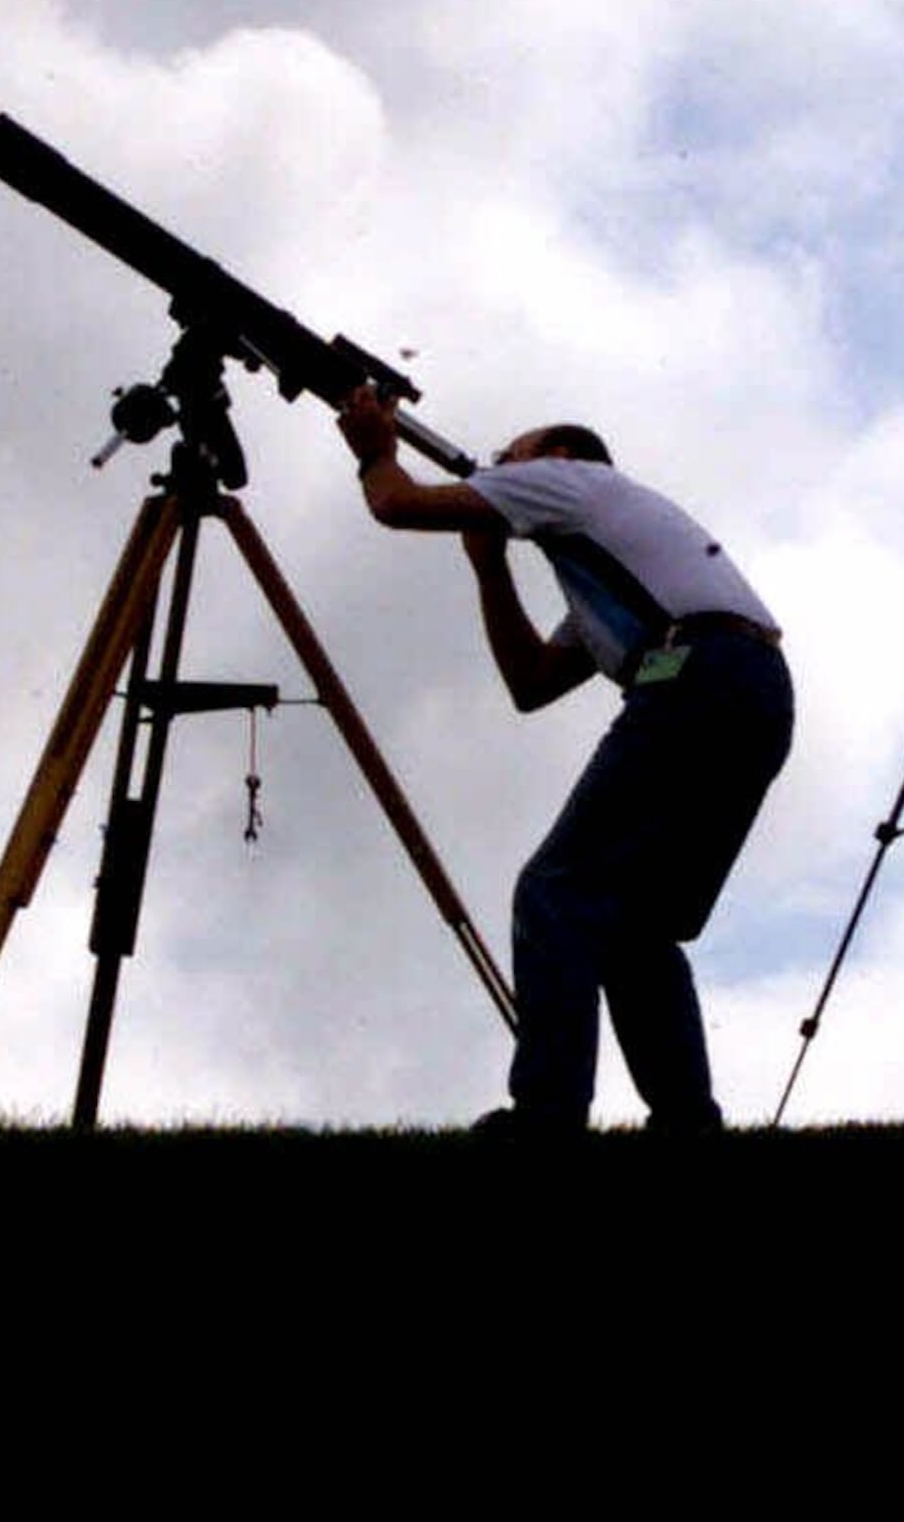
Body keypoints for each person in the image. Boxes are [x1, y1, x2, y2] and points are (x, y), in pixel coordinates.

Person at [337, 383, 791, 1136]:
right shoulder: (605, 577)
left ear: (556, 457)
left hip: (697, 676)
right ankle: (686, 1122)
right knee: (638, 927)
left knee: (556, 890)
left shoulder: (572, 477)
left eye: (508, 457)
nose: (496, 469)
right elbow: (531, 684)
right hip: (747, 690)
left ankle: (547, 1116)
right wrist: (490, 568)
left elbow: (396, 504)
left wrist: (375, 453)